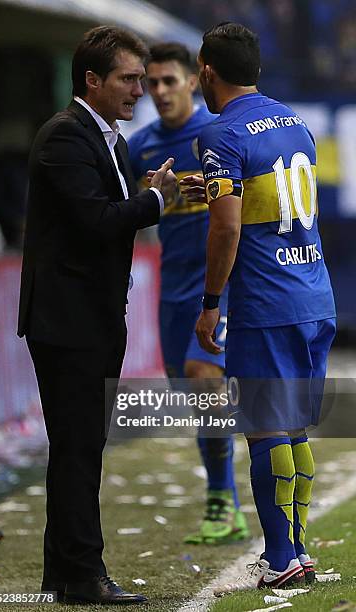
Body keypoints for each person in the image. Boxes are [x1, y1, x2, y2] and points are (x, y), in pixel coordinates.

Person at [17, 26, 176, 606]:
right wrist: (155, 201)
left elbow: (106, 214)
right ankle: (83, 573)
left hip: (94, 317)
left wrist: (144, 194)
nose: (140, 90)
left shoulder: (110, 140)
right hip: (68, 322)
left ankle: (62, 573)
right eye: (129, 79)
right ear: (92, 80)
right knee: (79, 449)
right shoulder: (65, 137)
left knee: (78, 448)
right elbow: (99, 221)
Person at [181, 22, 336, 592]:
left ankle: (281, 557)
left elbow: (226, 230)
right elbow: (268, 195)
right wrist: (217, 188)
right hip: (314, 294)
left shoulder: (220, 134)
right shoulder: (295, 122)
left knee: (266, 432)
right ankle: (296, 547)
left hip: (266, 303)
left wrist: (211, 303)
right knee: (292, 429)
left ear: (206, 72)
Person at [128, 43, 249, 545]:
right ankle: (226, 500)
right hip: (170, 292)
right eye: (151, 83)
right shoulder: (139, 148)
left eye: (168, 81)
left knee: (204, 381)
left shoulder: (216, 133)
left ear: (193, 81)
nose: (159, 92)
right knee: (193, 396)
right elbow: (125, 212)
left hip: (214, 290)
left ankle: (224, 502)